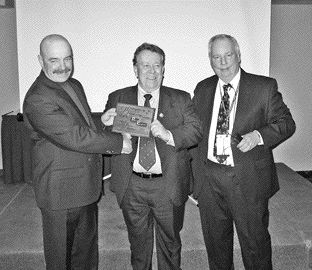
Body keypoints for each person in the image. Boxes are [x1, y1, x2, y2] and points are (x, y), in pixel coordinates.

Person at [23, 34, 132, 270]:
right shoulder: (37, 98)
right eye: (54, 60)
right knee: (61, 261)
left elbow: (80, 125)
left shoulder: (74, 85)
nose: (63, 67)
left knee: (86, 258)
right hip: (60, 194)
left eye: (67, 59)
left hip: (85, 188)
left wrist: (100, 121)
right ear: (40, 60)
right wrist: (118, 142)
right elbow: (74, 136)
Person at [191, 34, 296, 270]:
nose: (223, 62)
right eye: (216, 57)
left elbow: (287, 123)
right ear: (210, 60)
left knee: (255, 246)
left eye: (228, 55)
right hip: (210, 179)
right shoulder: (203, 88)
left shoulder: (263, 87)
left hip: (248, 179)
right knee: (216, 247)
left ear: (238, 55)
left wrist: (259, 136)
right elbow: (194, 130)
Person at [102, 42, 203, 270]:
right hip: (132, 185)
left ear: (164, 69)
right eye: (145, 65)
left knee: (170, 245)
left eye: (157, 66)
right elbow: (106, 138)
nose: (152, 71)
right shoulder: (118, 97)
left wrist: (168, 134)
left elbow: (196, 131)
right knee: (138, 247)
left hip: (168, 185)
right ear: (135, 69)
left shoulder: (181, 98)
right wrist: (106, 125)